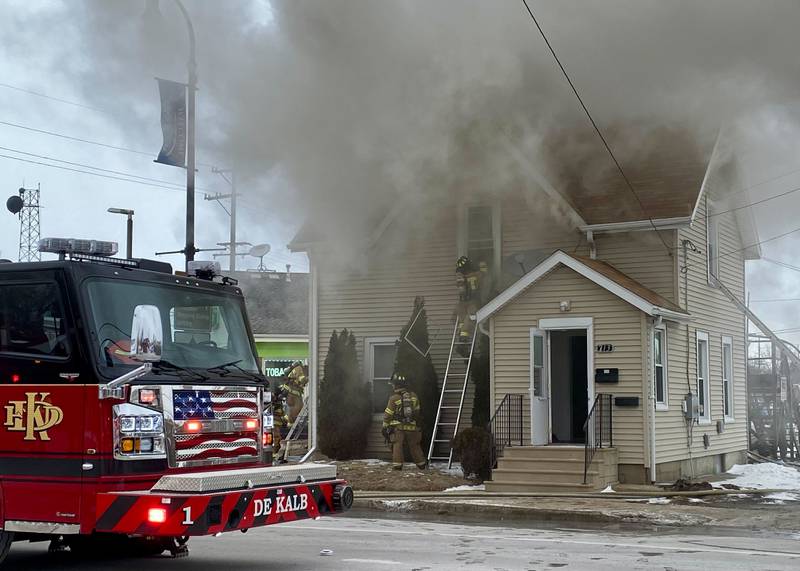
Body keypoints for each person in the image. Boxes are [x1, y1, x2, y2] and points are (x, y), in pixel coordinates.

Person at [382, 373, 427, 470]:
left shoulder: (394, 398)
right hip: (413, 427)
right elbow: (417, 412)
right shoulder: (414, 396)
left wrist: (385, 426)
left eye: (393, 384)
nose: (392, 386)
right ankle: (421, 465)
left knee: (397, 445)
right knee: (415, 446)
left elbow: (388, 414)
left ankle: (397, 467)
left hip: (398, 428)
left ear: (396, 385)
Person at [454, 256, 483, 347]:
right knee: (465, 315)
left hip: (469, 301)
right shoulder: (477, 274)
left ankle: (463, 336)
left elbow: (461, 289)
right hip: (474, 300)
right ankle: (462, 332)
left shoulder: (462, 276)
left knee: (467, 316)